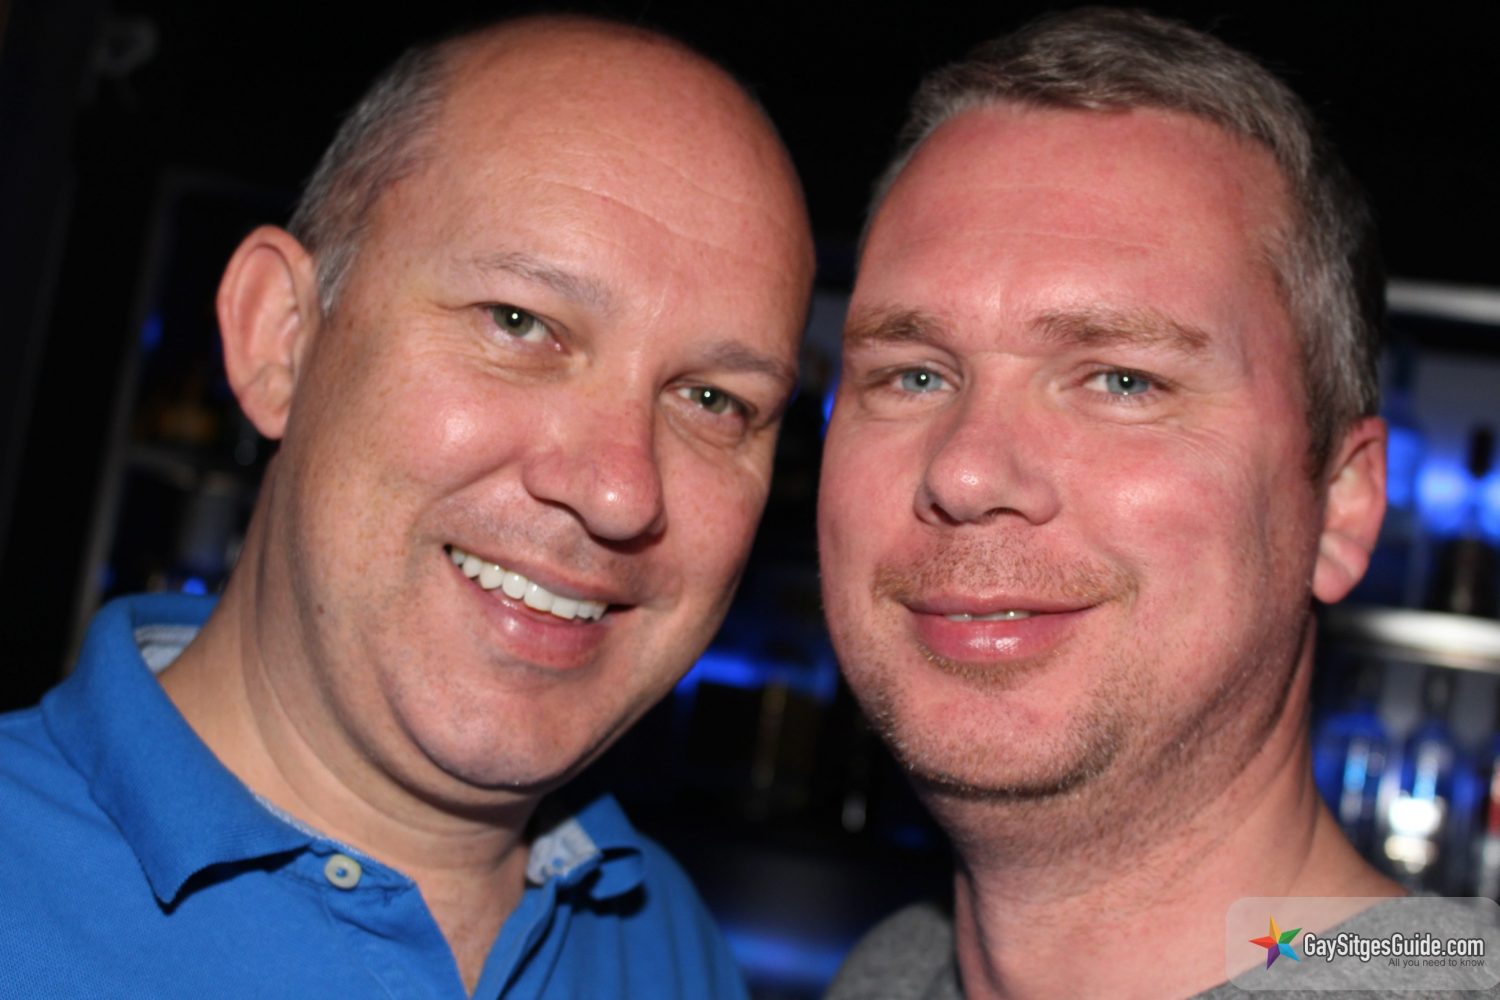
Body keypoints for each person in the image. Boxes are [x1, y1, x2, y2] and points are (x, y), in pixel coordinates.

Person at [0, 15, 812, 999]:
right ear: (280, 337)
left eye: (714, 400)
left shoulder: (671, 950)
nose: (619, 490)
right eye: (520, 323)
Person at [819, 8, 1495, 999]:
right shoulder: (887, 974)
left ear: (1342, 505)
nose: (965, 472)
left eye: (1123, 381)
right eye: (915, 375)